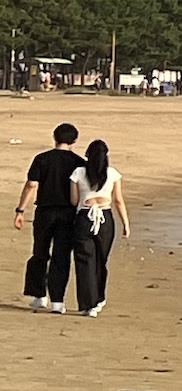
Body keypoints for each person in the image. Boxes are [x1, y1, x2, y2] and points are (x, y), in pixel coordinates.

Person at [15, 120, 84, 311]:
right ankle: (58, 301)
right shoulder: (79, 163)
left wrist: (20, 210)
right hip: (68, 213)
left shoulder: (42, 159)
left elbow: (31, 185)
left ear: (55, 138)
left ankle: (39, 295)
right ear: (74, 140)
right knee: (61, 255)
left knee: (40, 252)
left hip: (45, 211)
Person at [68, 137, 129, 316]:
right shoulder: (113, 173)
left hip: (84, 217)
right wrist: (125, 223)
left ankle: (89, 303)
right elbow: (118, 201)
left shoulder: (78, 172)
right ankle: (98, 299)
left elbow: (74, 201)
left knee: (84, 261)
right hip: (105, 218)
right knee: (101, 260)